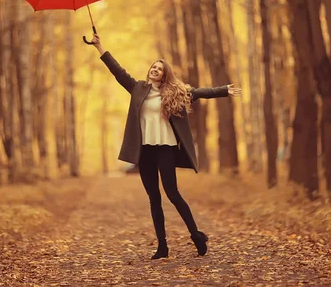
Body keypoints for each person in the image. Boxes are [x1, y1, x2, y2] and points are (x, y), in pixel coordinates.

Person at [91, 34, 242, 259]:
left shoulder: (175, 92)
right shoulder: (137, 88)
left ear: (164, 74)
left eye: (159, 69)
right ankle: (162, 247)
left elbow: (199, 92)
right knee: (154, 198)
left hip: (165, 150)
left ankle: (196, 235)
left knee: (172, 193)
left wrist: (223, 90)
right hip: (145, 152)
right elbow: (118, 70)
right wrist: (99, 46)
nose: (155, 70)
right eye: (153, 67)